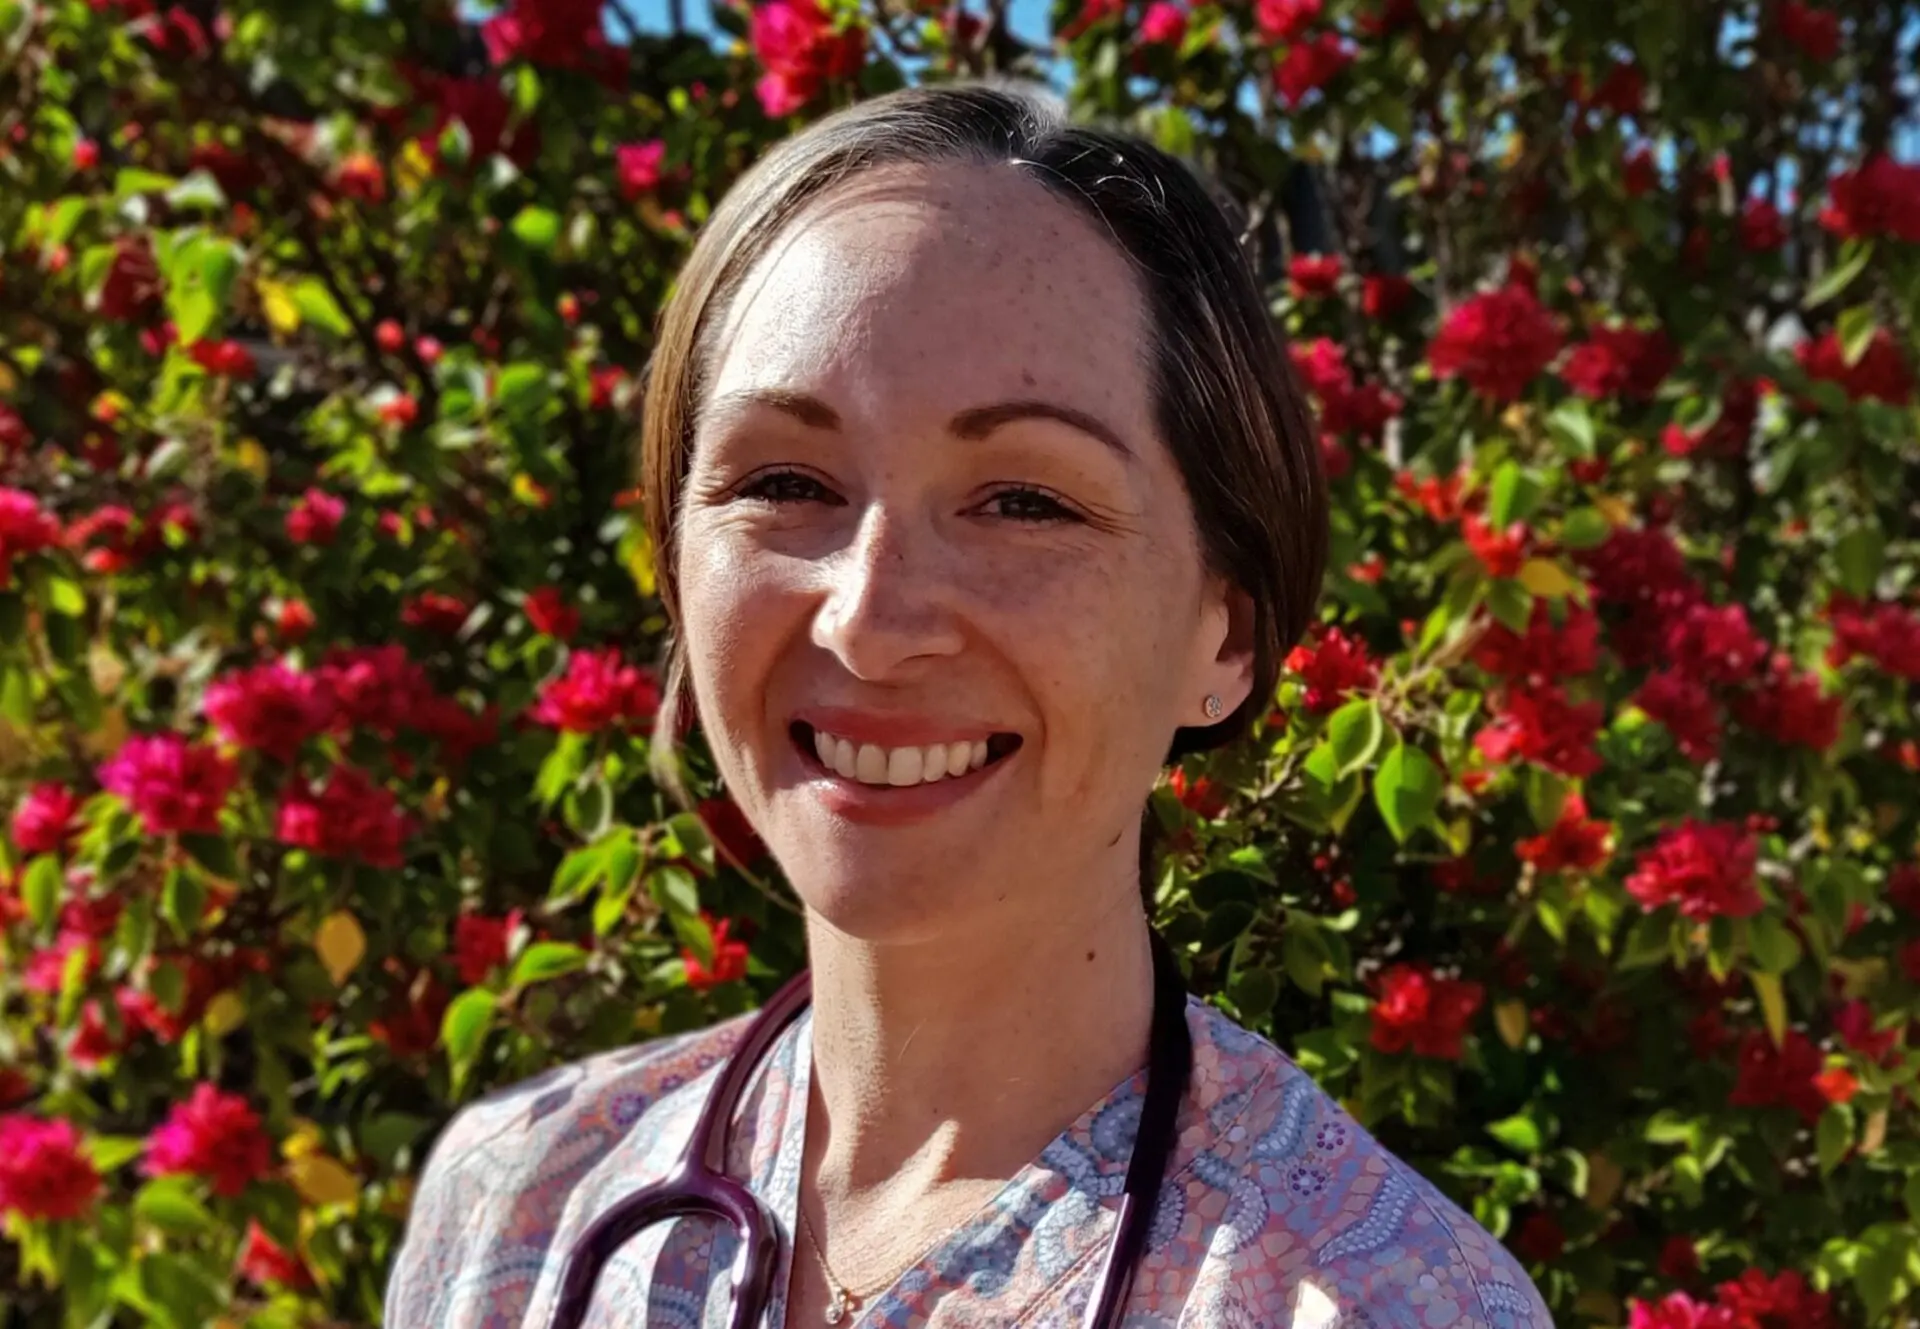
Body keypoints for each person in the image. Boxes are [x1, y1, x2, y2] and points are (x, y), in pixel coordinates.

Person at [385, 80, 1553, 1329]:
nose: (870, 623)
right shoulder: (516, 1213)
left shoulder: (1382, 1301)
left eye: (1026, 501)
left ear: (1228, 634)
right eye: (786, 480)